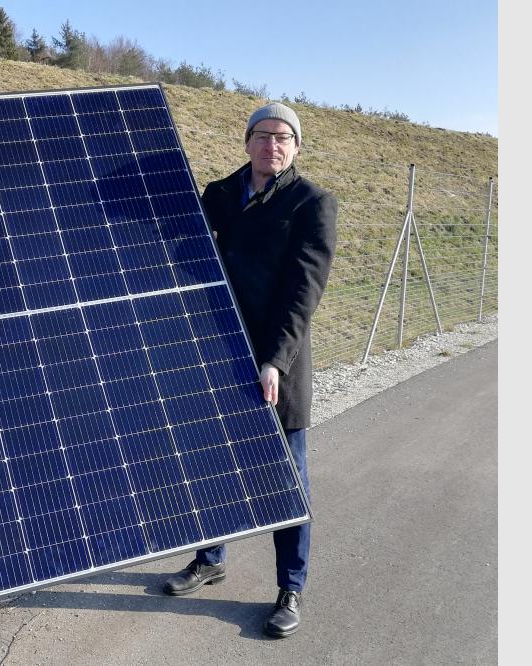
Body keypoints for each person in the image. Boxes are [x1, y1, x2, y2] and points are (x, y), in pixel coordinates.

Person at [162, 102, 337, 638]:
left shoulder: (311, 203)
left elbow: (302, 292)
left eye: (284, 137)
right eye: (263, 135)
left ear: (296, 147)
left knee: (286, 478)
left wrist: (275, 360)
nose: (273, 146)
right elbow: (179, 248)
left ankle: (290, 585)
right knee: (214, 465)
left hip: (276, 363)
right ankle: (210, 557)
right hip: (217, 354)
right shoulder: (217, 195)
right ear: (247, 142)